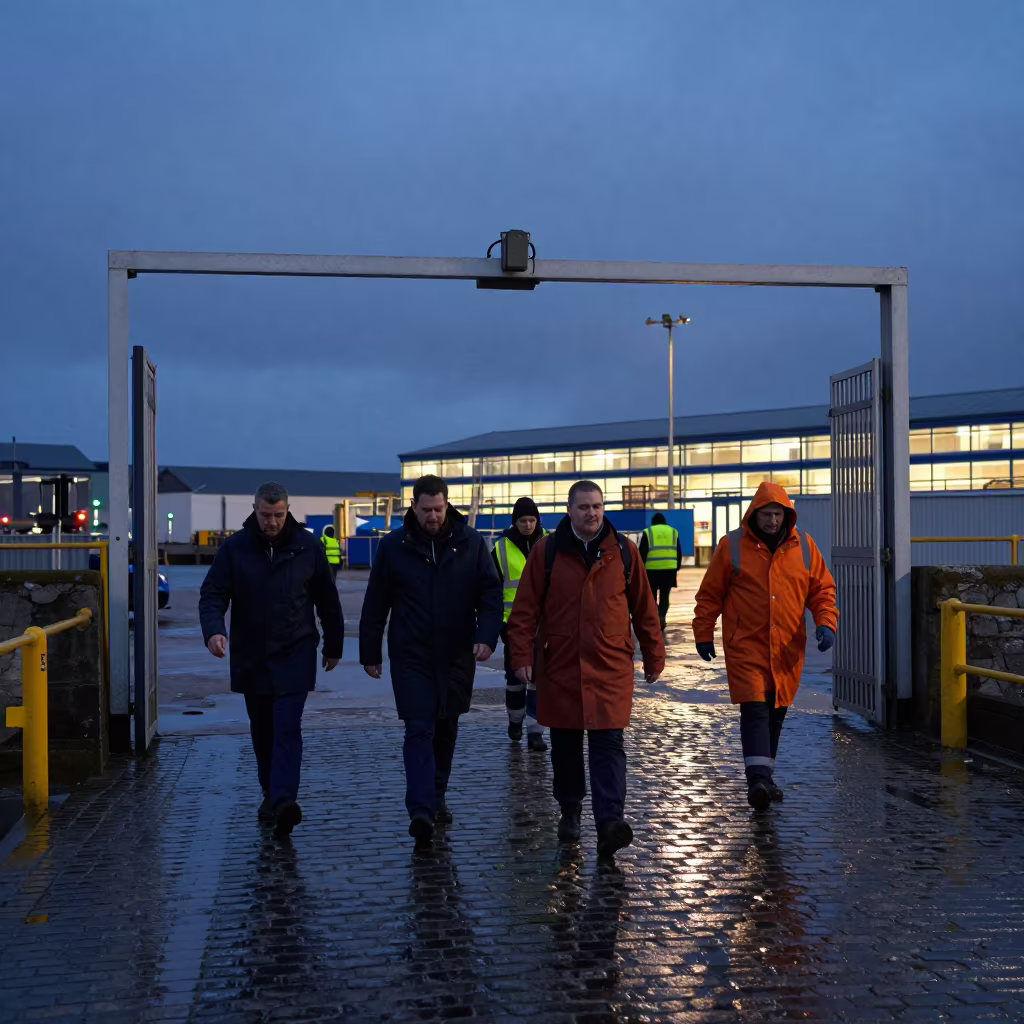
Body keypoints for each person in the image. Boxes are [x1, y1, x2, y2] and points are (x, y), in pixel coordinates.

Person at [507, 481, 665, 860]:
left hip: (610, 665)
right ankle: (571, 810)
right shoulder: (547, 552)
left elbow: (645, 608)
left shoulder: (624, 552)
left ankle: (610, 821)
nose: (591, 513)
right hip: (560, 664)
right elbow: (524, 610)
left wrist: (654, 652)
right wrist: (521, 656)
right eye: (583, 507)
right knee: (565, 745)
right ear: (569, 510)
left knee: (609, 743)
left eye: (596, 506)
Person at [359, 474, 502, 846]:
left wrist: (486, 636)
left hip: (457, 654)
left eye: (439, 509)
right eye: (426, 510)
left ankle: (437, 792)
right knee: (419, 727)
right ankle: (420, 808)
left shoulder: (470, 543)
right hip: (411, 655)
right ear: (414, 507)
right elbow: (376, 603)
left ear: (447, 504)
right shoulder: (394, 547)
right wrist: (369, 651)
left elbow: (489, 593)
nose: (434, 516)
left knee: (446, 727)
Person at [199, 482, 344, 838]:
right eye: (266, 515)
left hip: (296, 651)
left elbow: (327, 598)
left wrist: (333, 645)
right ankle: (271, 794)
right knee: (263, 730)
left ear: (287, 510)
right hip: (252, 654)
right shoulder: (235, 548)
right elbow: (212, 593)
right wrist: (214, 630)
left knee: (287, 726)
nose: (272, 522)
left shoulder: (308, 546)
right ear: (254, 509)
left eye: (279, 515)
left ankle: (283, 800)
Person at [691, 482, 838, 811]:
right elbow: (710, 593)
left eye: (778, 514)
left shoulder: (805, 547)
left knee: (776, 712)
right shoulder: (732, 546)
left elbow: (822, 591)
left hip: (787, 647)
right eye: (767, 514)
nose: (772, 520)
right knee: (755, 709)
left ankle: (765, 778)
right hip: (746, 645)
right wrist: (703, 631)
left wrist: (827, 623)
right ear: (753, 515)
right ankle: (757, 779)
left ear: (788, 515)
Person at [492, 496, 547, 752]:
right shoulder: (500, 549)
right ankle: (515, 720)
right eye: (523, 521)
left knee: (538, 680)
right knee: (515, 680)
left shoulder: (552, 544)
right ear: (515, 522)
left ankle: (536, 731)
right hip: (512, 627)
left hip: (544, 626)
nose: (528, 525)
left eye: (532, 520)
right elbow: (491, 592)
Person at [639, 512, 683, 631]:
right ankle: (661, 616)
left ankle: (654, 618)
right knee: (664, 596)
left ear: (653, 522)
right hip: (669, 569)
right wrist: (677, 566)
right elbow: (678, 551)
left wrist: (640, 569)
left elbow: (642, 552)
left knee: (651, 596)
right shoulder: (673, 532)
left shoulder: (648, 532)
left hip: (651, 570)